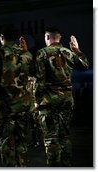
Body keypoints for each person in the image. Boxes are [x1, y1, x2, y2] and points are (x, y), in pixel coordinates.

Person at [35, 26, 89, 166]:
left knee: (51, 138)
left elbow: (39, 80)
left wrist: (36, 100)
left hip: (48, 102)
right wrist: (77, 50)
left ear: (47, 37)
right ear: (59, 38)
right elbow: (85, 66)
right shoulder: (69, 53)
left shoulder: (42, 53)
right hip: (66, 100)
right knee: (64, 136)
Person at [0, 26, 34, 167]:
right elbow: (31, 79)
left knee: (6, 144)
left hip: (5, 109)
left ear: (2, 37)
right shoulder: (27, 55)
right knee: (22, 143)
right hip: (24, 107)